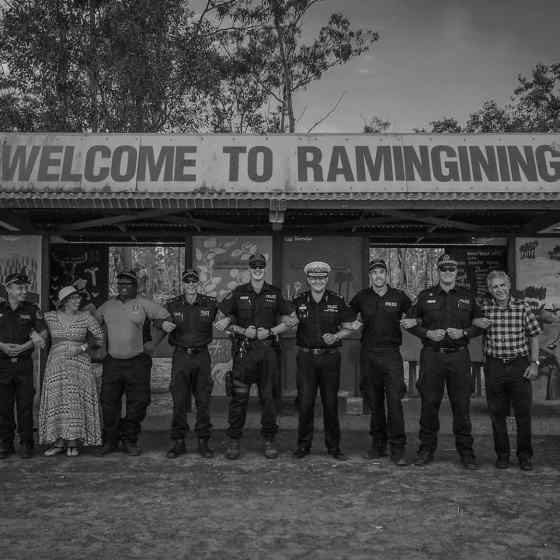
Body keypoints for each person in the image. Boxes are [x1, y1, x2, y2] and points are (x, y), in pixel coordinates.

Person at [405, 253, 483, 469]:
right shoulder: (424, 296)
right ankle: (426, 450)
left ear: (456, 272)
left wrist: (465, 333)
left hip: (459, 356)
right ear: (437, 271)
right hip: (432, 356)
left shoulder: (468, 296)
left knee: (461, 405)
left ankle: (466, 453)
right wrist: (427, 334)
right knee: (429, 404)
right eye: (443, 269)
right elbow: (409, 322)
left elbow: (480, 323)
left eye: (451, 269)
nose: (447, 272)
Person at [217, 253, 294, 460]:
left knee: (268, 399)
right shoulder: (238, 292)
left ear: (265, 268)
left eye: (261, 266)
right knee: (239, 399)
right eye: (254, 266)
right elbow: (220, 321)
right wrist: (243, 331)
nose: (257, 269)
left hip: (268, 352)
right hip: (244, 352)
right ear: (249, 269)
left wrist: (271, 332)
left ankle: (269, 440)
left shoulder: (274, 293)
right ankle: (234, 441)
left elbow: (291, 320)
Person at [95, 271, 171, 456]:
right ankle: (110, 440)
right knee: (108, 403)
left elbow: (166, 319)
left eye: (128, 283)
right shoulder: (107, 306)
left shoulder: (144, 304)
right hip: (113, 362)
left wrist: (154, 343)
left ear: (136, 287)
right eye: (120, 283)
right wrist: (96, 348)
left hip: (138, 361)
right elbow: (92, 325)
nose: (123, 286)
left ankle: (130, 439)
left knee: (138, 403)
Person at [350, 258, 417, 466]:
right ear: (370, 276)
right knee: (374, 402)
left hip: (391, 355)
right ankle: (378, 446)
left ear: (386, 275)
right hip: (369, 354)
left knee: (395, 401)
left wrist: (414, 321)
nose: (378, 276)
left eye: (381, 272)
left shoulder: (398, 297)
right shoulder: (362, 297)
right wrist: (351, 323)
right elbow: (347, 314)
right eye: (374, 273)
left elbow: (416, 313)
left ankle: (398, 449)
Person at [473, 270, 541, 471]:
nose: (499, 290)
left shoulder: (522, 307)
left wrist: (534, 363)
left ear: (509, 286)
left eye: (502, 285)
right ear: (490, 290)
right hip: (494, 366)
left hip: (519, 365)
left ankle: (524, 456)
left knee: (523, 413)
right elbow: (471, 325)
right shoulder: (484, 310)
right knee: (497, 413)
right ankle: (502, 455)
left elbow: (534, 335)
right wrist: (475, 321)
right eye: (495, 287)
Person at [292, 261, 356, 460]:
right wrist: (287, 322)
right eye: (313, 278)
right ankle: (303, 446)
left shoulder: (337, 300)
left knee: (330, 404)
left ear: (326, 279)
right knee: (305, 404)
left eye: (321, 278)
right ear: (308, 279)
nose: (317, 281)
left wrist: (336, 337)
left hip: (330, 359)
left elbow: (350, 326)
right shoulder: (298, 300)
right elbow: (287, 321)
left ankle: (333, 447)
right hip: (306, 359)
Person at [39, 286, 105, 457]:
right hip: (56, 366)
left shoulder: (86, 317)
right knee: (58, 400)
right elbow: (34, 325)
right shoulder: (50, 317)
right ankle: (58, 441)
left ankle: (73, 441)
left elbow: (99, 337)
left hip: (79, 365)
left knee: (75, 401)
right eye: (73, 298)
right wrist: (34, 335)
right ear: (63, 302)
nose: (77, 301)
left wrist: (83, 346)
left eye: (78, 298)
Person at [162, 269, 218, 459]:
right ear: (183, 284)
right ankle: (179, 442)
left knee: (203, 400)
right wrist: (162, 324)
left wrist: (229, 321)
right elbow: (156, 319)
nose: (191, 284)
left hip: (202, 356)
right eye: (187, 281)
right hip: (181, 356)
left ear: (198, 283)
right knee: (179, 401)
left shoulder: (210, 304)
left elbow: (228, 314)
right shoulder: (172, 304)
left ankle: (204, 441)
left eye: (194, 281)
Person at [0, 273, 47, 459]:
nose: (24, 291)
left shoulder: (32, 309)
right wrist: (2, 346)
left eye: (26, 287)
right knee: (3, 407)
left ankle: (27, 444)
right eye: (19, 288)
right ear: (8, 288)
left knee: (26, 406)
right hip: (2, 364)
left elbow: (43, 332)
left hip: (24, 365)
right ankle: (6, 444)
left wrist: (24, 347)